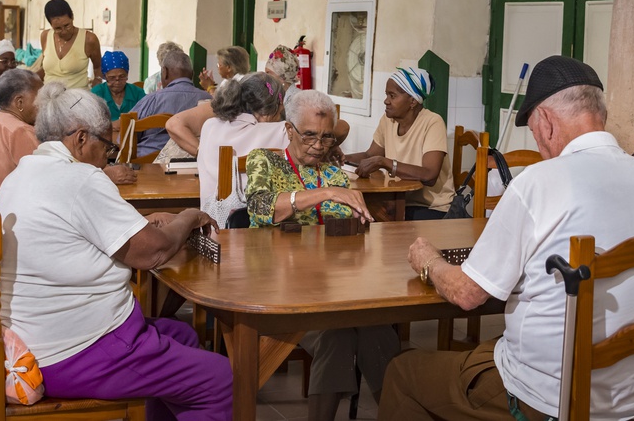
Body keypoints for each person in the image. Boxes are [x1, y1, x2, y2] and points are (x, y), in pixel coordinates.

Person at [379, 56, 634, 420]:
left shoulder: (538, 183)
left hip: (551, 399)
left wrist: (428, 259)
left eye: (535, 133)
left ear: (548, 123)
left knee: (403, 371)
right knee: (489, 350)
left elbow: (467, 293)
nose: (538, 143)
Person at [0, 83, 232, 419]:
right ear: (80, 138)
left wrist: (143, 225)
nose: (107, 157)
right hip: (76, 351)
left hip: (34, 337)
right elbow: (153, 253)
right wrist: (190, 216)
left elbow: (75, 234)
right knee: (220, 378)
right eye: (107, 146)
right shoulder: (80, 179)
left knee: (181, 334)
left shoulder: (22, 173)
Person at [244, 89, 392, 420]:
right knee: (335, 334)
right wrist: (323, 193)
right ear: (289, 130)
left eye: (327, 137)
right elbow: (259, 207)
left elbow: (356, 235)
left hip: (332, 287)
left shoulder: (335, 171)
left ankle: (398, 410)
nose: (319, 145)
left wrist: (363, 219)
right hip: (281, 289)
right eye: (310, 135)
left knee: (378, 327)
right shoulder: (264, 160)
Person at [345, 67, 455, 220]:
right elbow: (370, 155)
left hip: (430, 207)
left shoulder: (432, 122)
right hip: (398, 199)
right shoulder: (388, 120)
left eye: (392, 95)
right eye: (386, 95)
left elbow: (430, 175)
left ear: (413, 101)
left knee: (376, 220)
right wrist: (340, 158)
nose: (386, 101)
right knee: (358, 211)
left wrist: (385, 162)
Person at [190, 73, 287, 227]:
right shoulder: (282, 131)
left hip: (212, 228)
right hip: (258, 229)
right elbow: (338, 127)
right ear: (268, 110)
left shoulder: (209, 126)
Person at [132, 50, 210, 158]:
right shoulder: (209, 101)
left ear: (165, 72)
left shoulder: (151, 100)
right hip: (194, 165)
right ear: (192, 74)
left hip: (148, 165)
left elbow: (128, 137)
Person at [38, 0, 102, 89]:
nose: (64, 32)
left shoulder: (89, 39)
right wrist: (27, 77)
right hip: (49, 97)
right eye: (58, 28)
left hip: (78, 98)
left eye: (67, 25)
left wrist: (97, 83)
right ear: (50, 24)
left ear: (72, 16)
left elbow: (98, 67)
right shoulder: (45, 36)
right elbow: (46, 69)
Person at [91, 50, 145, 122]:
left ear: (127, 74)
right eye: (112, 78)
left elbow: (146, 118)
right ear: (105, 76)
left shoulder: (138, 93)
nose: (117, 82)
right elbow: (92, 122)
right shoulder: (96, 94)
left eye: (122, 76)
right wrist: (112, 125)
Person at [265, 45, 300, 115]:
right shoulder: (275, 95)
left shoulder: (297, 100)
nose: (266, 77)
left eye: (268, 73)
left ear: (282, 77)